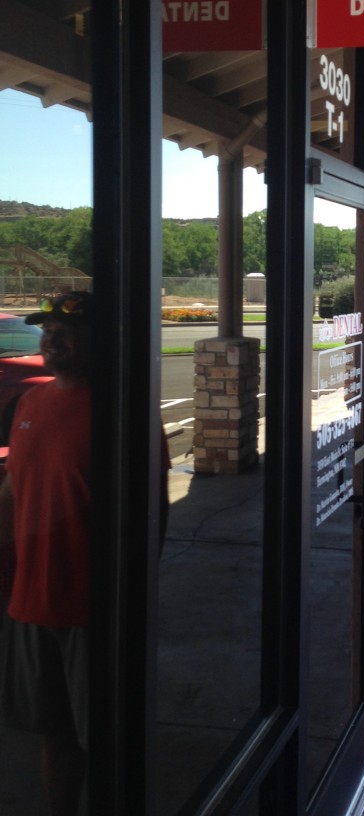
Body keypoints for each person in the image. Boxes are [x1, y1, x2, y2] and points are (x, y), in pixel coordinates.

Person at [0, 291, 169, 816]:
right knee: (53, 735)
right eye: (48, 329)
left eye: (66, 330)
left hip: (93, 615)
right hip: (30, 606)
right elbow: (14, 491)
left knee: (107, 742)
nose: (53, 338)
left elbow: (151, 520)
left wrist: (127, 603)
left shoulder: (125, 415)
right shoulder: (28, 402)